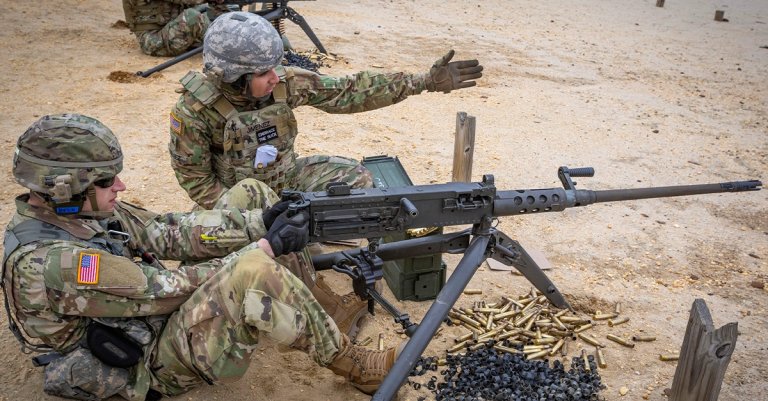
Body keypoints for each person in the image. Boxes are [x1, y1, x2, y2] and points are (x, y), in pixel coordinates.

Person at [1, 113, 402, 401]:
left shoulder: (86, 211)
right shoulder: (56, 263)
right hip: (145, 364)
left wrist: (259, 220)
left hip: (145, 312)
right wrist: (264, 247)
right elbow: (161, 290)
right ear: (64, 187)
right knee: (253, 268)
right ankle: (354, 365)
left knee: (252, 192)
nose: (120, 185)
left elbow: (165, 231)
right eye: (107, 180)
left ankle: (322, 311)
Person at [168, 11, 484, 208]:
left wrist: (423, 81)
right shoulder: (196, 109)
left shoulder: (282, 85)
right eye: (264, 73)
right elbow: (198, 182)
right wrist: (251, 219)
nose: (275, 77)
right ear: (234, 76)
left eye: (274, 68)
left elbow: (350, 91)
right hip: (236, 202)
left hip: (287, 181)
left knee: (359, 180)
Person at [121, 0, 230, 57]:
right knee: (192, 16)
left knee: (211, 10)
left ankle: (229, 39)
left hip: (168, 32)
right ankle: (226, 47)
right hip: (153, 41)